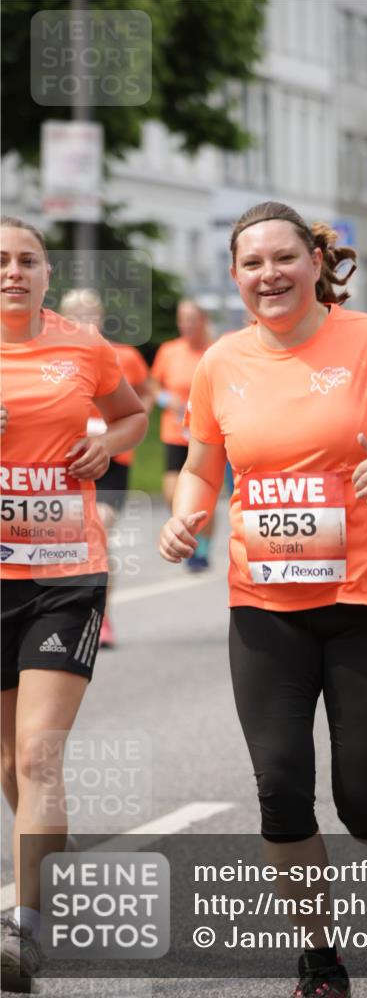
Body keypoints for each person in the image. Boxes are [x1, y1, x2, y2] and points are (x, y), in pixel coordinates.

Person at [159, 201, 367, 997]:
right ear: (234, 276)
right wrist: (188, 513)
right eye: (252, 263)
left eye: (283, 258)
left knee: (362, 797)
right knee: (279, 785)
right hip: (263, 605)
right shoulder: (219, 364)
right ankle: (319, 959)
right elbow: (202, 463)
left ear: (315, 263)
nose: (269, 274)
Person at [0, 217, 147, 990]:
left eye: (27, 260)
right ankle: (41, 859)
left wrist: (105, 443)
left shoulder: (83, 347)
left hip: (65, 571)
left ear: (46, 274)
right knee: (6, 761)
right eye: (0, 260)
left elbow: (130, 414)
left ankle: (25, 926)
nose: (13, 272)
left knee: (36, 755)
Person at [59, 288, 152, 648]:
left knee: (97, 525)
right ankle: (69, 611)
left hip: (113, 461)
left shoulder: (122, 356)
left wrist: (117, 429)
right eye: (76, 315)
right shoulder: (52, 359)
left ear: (100, 317)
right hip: (68, 463)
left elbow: (143, 395)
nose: (84, 321)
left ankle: (103, 616)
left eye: (90, 314)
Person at [150, 299, 213, 570]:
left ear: (202, 321)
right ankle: (185, 530)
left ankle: (202, 549)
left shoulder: (213, 351)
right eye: (182, 319)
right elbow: (152, 384)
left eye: (191, 319)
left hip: (205, 434)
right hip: (174, 431)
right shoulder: (169, 351)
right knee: (171, 490)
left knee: (206, 491)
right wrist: (165, 399)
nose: (186, 324)